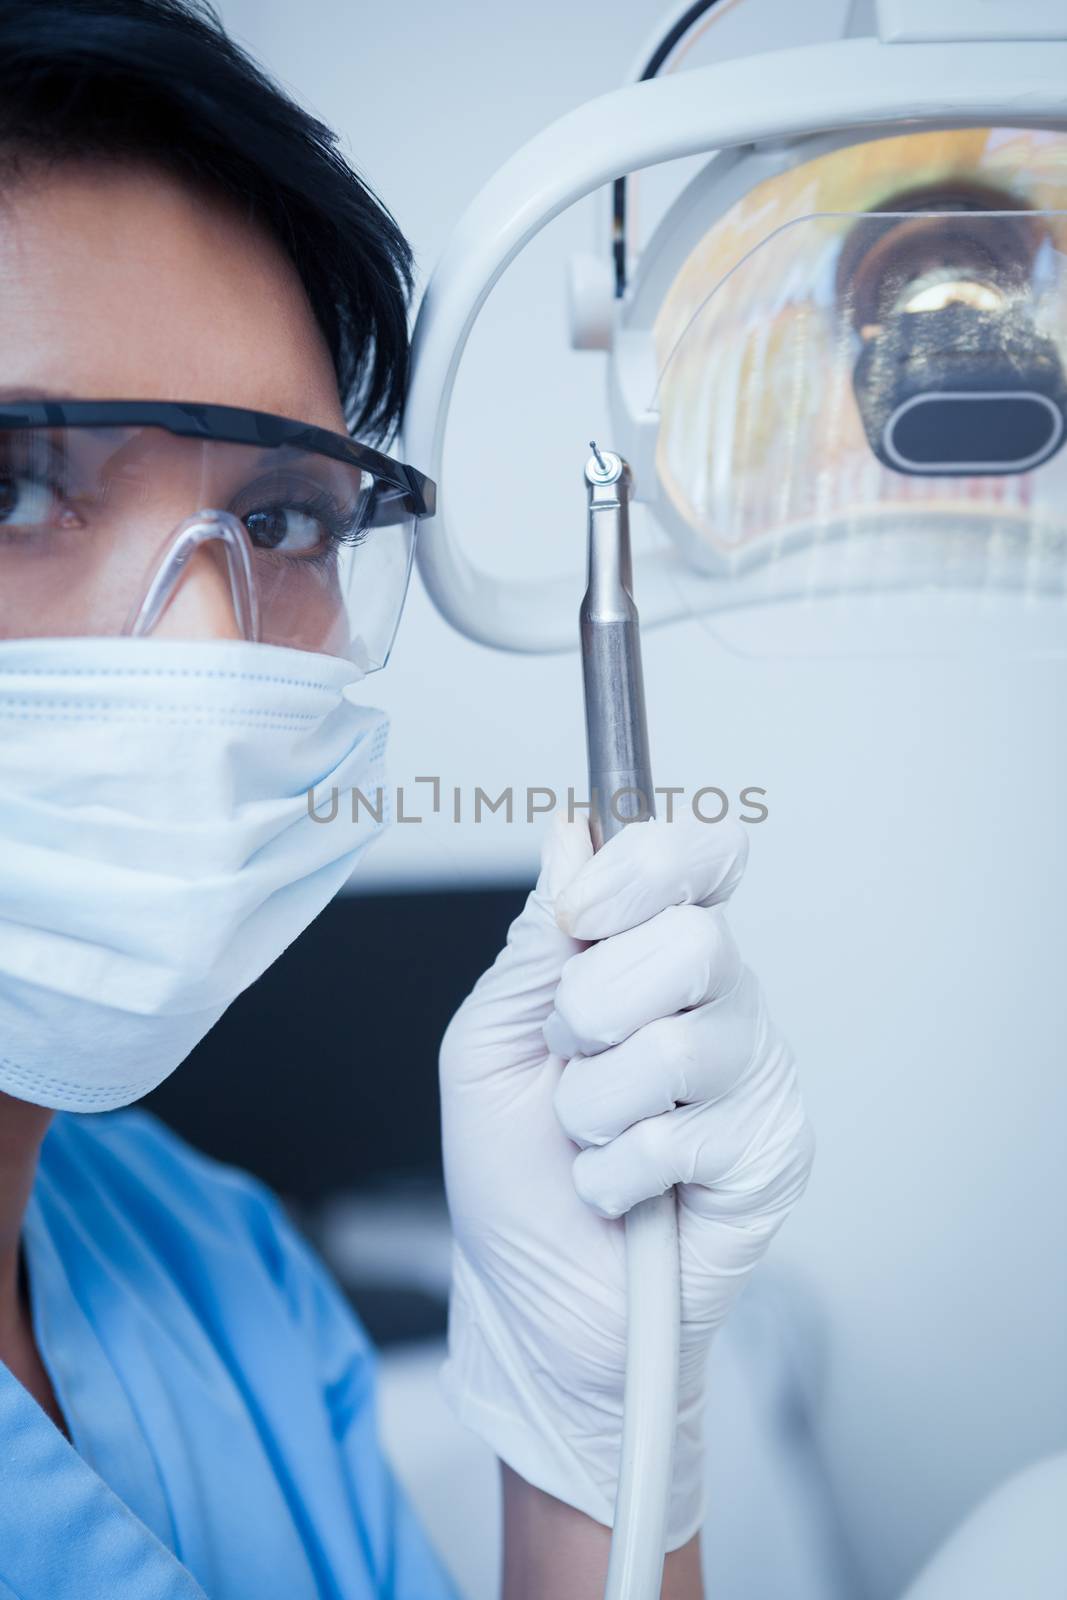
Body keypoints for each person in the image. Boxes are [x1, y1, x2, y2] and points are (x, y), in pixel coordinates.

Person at [0, 2, 813, 1596]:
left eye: (288, 521)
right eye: (14, 488)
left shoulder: (216, 1271)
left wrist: (595, 1431)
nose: (209, 653)